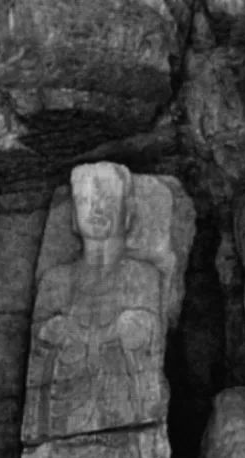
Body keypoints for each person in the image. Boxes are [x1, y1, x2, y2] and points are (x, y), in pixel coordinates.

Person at [30, 163, 166, 440]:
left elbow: (149, 351)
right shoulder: (55, 281)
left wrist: (138, 329)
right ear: (73, 217)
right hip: (62, 417)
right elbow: (38, 358)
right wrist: (50, 334)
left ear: (128, 212)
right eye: (84, 200)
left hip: (124, 419)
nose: (96, 208)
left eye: (108, 198)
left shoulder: (143, 276)